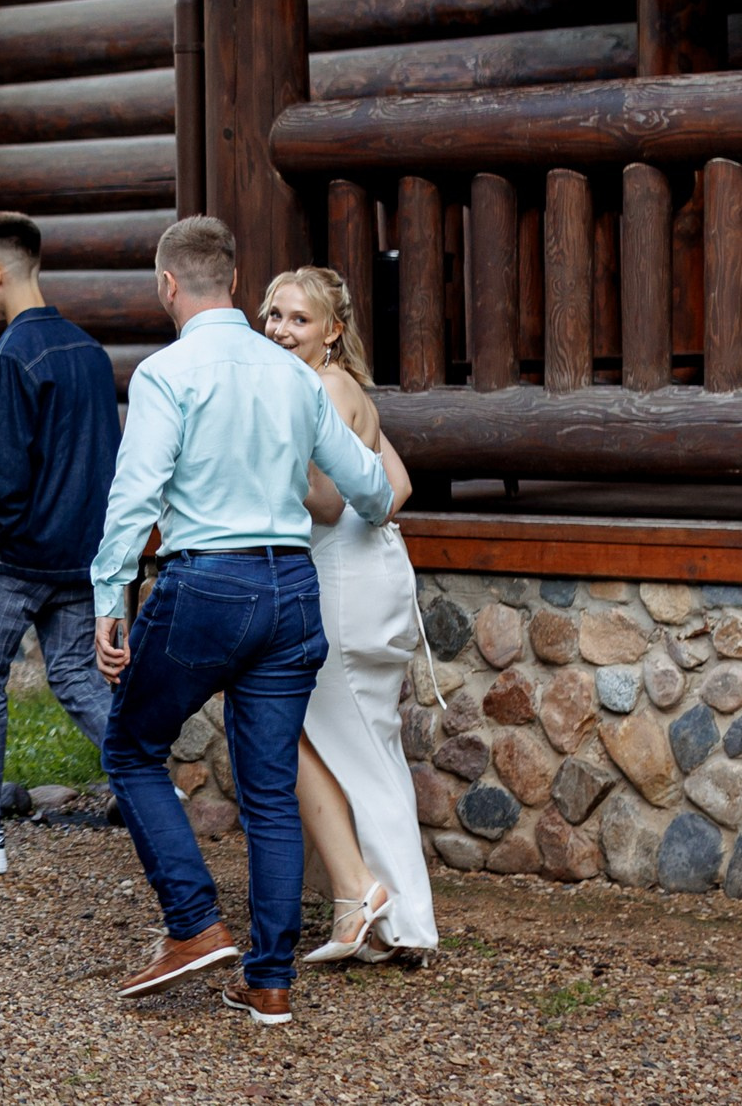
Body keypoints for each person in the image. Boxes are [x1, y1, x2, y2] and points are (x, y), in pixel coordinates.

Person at [92, 217, 407, 1026]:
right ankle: (269, 979)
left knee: (130, 745)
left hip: (209, 586)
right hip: (292, 587)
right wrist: (373, 501)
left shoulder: (167, 373)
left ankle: (195, 922)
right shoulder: (293, 376)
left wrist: (109, 598)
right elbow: (369, 489)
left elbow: (134, 496)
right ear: (233, 283)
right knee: (270, 790)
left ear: (168, 285)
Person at [0, 211, 119, 877]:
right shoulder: (91, 354)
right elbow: (101, 462)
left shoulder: (8, 357)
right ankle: (150, 785)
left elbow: (3, 483)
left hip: (11, 558)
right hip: (78, 554)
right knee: (75, 676)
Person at [259, 267, 438, 963]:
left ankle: (396, 919)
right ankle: (398, 919)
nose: (279, 328)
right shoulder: (346, 387)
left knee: (352, 746)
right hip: (374, 569)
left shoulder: (326, 388)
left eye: (298, 318)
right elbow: (398, 486)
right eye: (272, 314)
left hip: (340, 581)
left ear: (333, 330)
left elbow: (329, 502)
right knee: (369, 743)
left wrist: (259, 464)